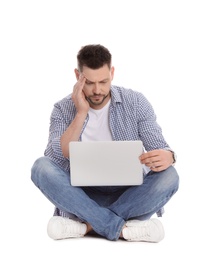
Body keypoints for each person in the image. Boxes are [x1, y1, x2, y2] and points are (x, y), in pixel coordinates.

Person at [31, 44, 179, 242]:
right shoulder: (62, 108)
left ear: (112, 73)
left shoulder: (135, 102)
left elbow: (159, 145)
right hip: (81, 196)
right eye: (90, 83)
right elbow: (58, 156)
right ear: (77, 75)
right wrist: (81, 112)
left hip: (130, 196)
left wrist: (169, 156)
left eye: (103, 81)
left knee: (170, 176)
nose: (97, 90)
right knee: (41, 167)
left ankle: (87, 225)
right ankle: (121, 228)